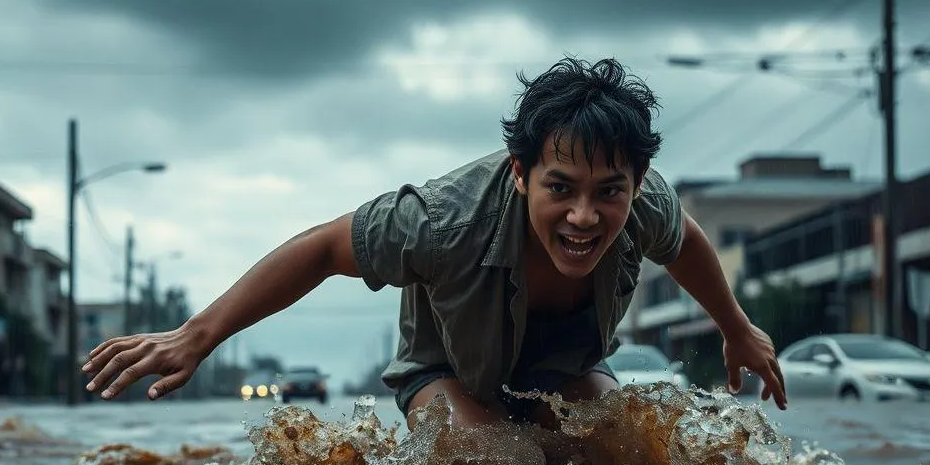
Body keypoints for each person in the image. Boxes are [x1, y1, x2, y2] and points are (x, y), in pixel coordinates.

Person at [82, 57, 787, 427]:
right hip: (445, 367)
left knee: (627, 463)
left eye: (609, 192)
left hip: (570, 363)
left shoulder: (644, 201)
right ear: (522, 173)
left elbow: (685, 241)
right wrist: (195, 336)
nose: (583, 216)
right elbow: (326, 248)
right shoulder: (444, 219)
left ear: (633, 183)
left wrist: (739, 328)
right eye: (560, 188)